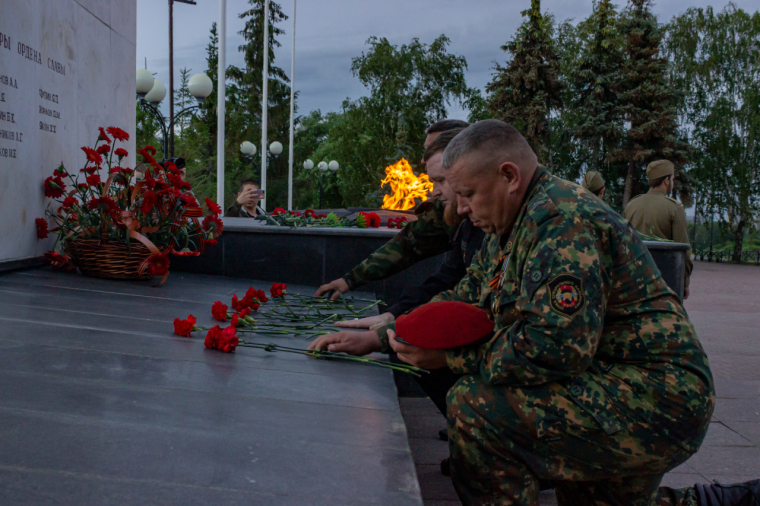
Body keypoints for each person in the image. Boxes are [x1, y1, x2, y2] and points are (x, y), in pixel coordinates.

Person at [313, 120, 760, 506]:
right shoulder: (511, 223)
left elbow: (554, 348)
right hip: (612, 382)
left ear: (508, 175)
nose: (461, 207)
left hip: (656, 396)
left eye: (467, 193)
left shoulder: (563, 221)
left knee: (477, 408)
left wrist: (450, 360)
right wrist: (388, 334)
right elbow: (468, 295)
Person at [314, 119, 470, 304]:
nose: (422, 159)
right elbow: (409, 245)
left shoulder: (498, 223)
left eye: (433, 149)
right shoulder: (445, 208)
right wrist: (351, 280)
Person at [624, 160, 693, 299]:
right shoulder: (674, 208)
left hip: (635, 279)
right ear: (666, 180)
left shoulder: (631, 205)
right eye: (672, 179)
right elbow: (683, 250)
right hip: (665, 281)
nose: (673, 183)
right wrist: (684, 282)